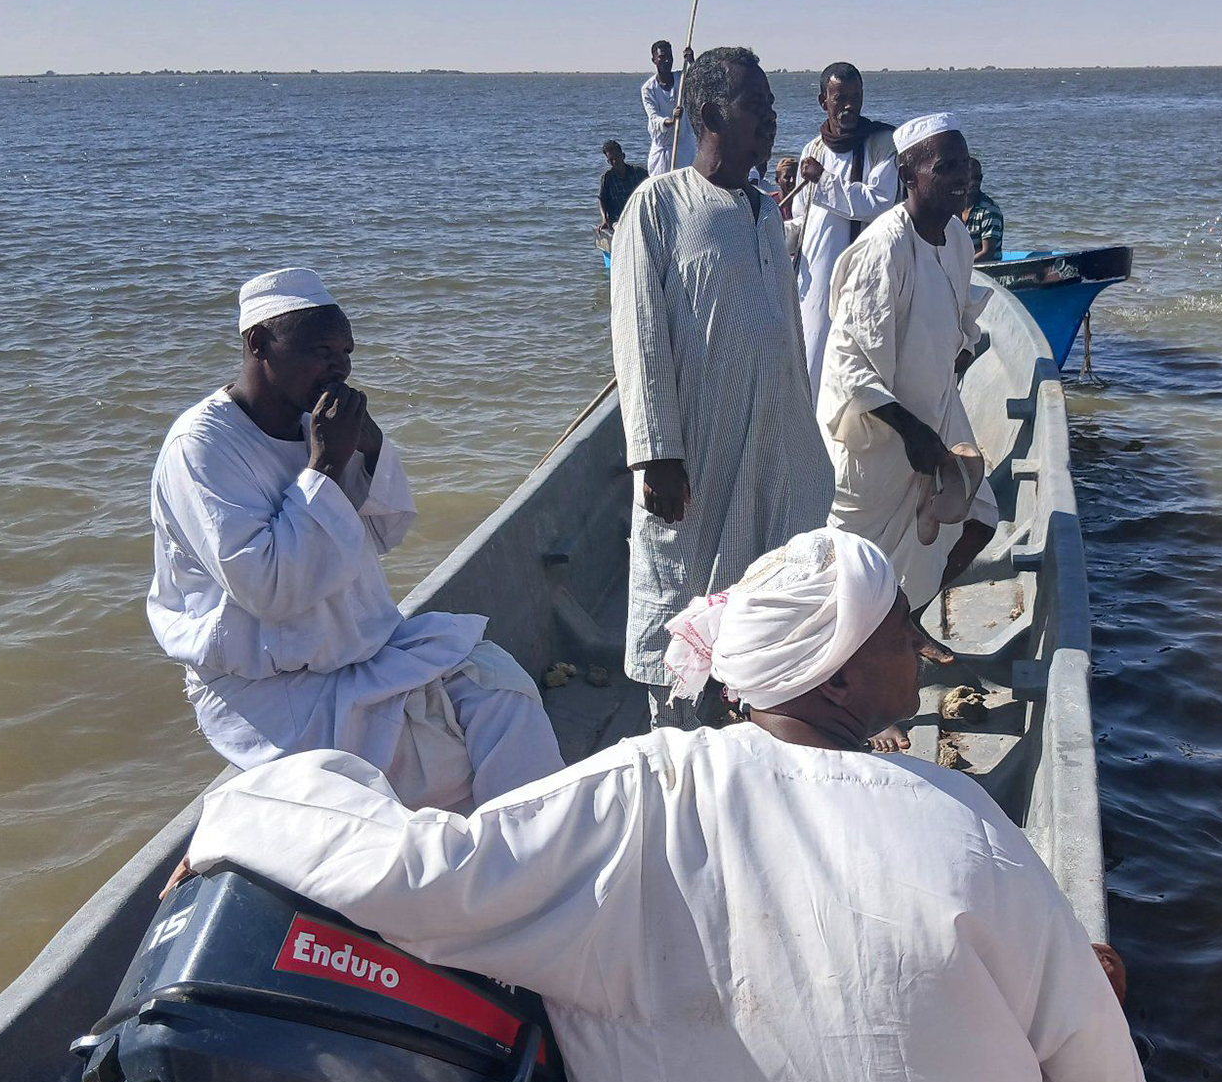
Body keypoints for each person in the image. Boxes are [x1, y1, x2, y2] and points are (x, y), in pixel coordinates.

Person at [177, 526, 1154, 1082]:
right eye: (903, 626)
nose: (922, 645)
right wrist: (1083, 986)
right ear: (843, 668)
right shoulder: (967, 819)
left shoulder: (641, 789)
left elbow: (418, 871)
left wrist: (242, 810)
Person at [146, 268, 562, 812]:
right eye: (320, 349)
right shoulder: (202, 448)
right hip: (270, 688)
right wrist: (323, 467)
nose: (339, 366)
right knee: (445, 771)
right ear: (258, 345)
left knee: (506, 695)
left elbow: (385, 531)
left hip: (359, 648)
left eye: (346, 351)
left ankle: (536, 869)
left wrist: (367, 450)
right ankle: (501, 872)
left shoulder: (313, 423)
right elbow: (270, 590)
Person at [610, 47, 834, 729]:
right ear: (708, 114)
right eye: (754, 106)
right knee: (683, 615)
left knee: (763, 609)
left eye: (770, 107)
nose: (770, 119)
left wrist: (806, 440)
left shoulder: (767, 212)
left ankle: (748, 742)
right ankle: (676, 757)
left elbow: (787, 339)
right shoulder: (659, 205)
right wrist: (656, 454)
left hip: (770, 447)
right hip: (695, 456)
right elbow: (638, 335)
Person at [818, 112, 997, 627]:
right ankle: (842, 654)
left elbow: (963, 321)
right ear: (908, 175)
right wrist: (913, 432)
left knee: (978, 518)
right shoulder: (885, 248)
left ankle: (906, 622)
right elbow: (851, 366)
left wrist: (951, 365)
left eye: (964, 165)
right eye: (945, 167)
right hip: (875, 436)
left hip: (936, 417)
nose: (961, 177)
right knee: (854, 569)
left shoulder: (958, 240)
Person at [786, 62, 898, 397]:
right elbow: (802, 217)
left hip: (861, 275)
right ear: (824, 101)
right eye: (840, 98)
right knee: (811, 361)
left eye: (855, 97)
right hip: (814, 278)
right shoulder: (813, 150)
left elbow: (879, 204)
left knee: (856, 366)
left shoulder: (880, 144)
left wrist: (824, 179)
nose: (849, 106)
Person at [641, 39, 696, 176]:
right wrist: (671, 121)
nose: (667, 61)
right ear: (654, 60)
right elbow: (653, 118)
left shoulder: (682, 78)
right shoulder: (648, 89)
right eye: (662, 57)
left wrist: (692, 62)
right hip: (662, 152)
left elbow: (700, 81)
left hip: (684, 147)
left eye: (669, 57)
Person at [962, 155, 1004, 263]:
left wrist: (961, 266)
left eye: (978, 178)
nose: (974, 182)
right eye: (971, 178)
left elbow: (988, 253)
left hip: (984, 271)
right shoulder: (952, 207)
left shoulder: (989, 211)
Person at [596, 140, 646, 230]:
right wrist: (604, 219)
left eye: (617, 157)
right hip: (617, 220)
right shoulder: (607, 177)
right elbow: (602, 199)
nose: (615, 161)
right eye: (611, 160)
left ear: (623, 156)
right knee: (619, 228)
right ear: (608, 161)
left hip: (638, 216)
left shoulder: (639, 173)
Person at [774, 154, 799, 220]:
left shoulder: (804, 203)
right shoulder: (770, 202)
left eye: (795, 177)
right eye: (787, 177)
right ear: (777, 180)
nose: (792, 181)